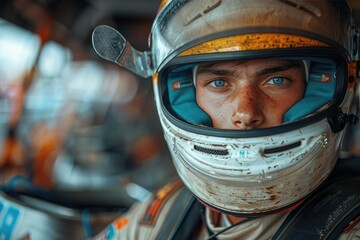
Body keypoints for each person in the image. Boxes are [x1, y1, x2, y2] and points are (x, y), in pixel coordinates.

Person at [91, 0, 360, 239]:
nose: (246, 113)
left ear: (318, 88)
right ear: (186, 93)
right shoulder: (162, 211)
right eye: (219, 82)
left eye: (276, 80)